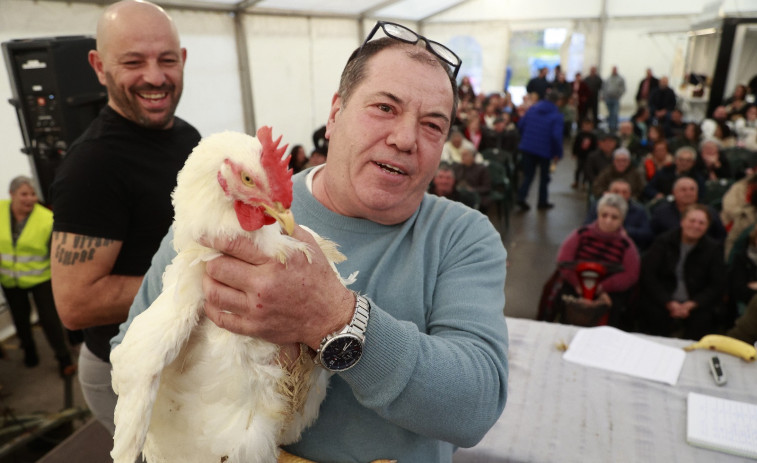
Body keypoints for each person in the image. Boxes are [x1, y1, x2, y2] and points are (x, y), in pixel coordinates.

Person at [113, 21, 508, 461]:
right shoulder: (226, 210)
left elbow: (475, 408)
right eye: (384, 108)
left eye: (433, 125)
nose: (405, 139)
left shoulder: (463, 237)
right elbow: (131, 355)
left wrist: (334, 317)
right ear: (335, 113)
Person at [48, 0, 201, 435]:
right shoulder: (93, 165)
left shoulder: (186, 135)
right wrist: (199, 279)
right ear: (99, 66)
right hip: (124, 371)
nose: (155, 77)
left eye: (167, 60)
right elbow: (75, 304)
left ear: (183, 60)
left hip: (176, 360)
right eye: (133, 62)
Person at [0, 176, 73, 375]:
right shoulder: (0, 210)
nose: (30, 199)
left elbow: (56, 256)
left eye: (33, 194)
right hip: (9, 280)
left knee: (49, 320)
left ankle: (63, 358)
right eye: (24, 194)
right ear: (11, 194)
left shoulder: (46, 219)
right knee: (20, 319)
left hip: (41, 278)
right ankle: (29, 351)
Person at [639, 205, 726, 339]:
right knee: (653, 315)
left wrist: (692, 304)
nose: (696, 226)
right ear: (682, 222)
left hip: (696, 302)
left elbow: (716, 284)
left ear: (707, 227)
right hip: (664, 298)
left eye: (701, 223)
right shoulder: (663, 241)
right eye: (692, 221)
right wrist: (668, 302)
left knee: (703, 321)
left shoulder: (713, 250)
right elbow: (649, 275)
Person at [556, 193, 640, 328]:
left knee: (615, 306)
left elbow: (631, 274)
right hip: (577, 285)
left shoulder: (626, 245)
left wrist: (601, 288)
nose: (608, 221)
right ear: (598, 215)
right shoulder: (581, 234)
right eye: (604, 215)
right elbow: (564, 260)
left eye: (614, 217)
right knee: (564, 299)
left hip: (608, 290)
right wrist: (578, 284)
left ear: (622, 220)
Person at [516, 90, 564, 211]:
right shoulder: (557, 116)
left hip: (527, 148)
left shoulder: (532, 109)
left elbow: (521, 125)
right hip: (545, 151)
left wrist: (527, 139)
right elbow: (556, 137)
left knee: (528, 175)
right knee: (544, 177)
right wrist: (558, 153)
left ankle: (521, 198)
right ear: (557, 101)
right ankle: (542, 202)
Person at [649, 177, 726, 243]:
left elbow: (720, 237)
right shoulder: (661, 213)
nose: (688, 193)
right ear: (674, 192)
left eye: (692, 189)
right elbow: (652, 238)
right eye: (683, 190)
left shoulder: (710, 212)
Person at [584, 179, 653, 251]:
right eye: (616, 191)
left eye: (624, 192)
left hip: (627, 249)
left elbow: (647, 234)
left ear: (629, 194)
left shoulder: (639, 210)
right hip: (598, 246)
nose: (620, 195)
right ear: (609, 192)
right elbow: (586, 227)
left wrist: (628, 232)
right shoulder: (598, 206)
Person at [453, 147, 492, 211]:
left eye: (465, 155)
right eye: (462, 155)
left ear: (473, 157)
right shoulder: (458, 167)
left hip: (476, 196)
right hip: (459, 194)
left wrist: (472, 189)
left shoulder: (481, 169)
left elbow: (487, 187)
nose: (462, 157)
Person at [571, 118, 597, 190]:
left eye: (589, 126)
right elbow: (575, 144)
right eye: (585, 126)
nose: (587, 128)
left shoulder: (593, 136)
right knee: (579, 169)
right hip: (580, 155)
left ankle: (584, 183)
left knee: (586, 170)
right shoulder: (579, 135)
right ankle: (576, 181)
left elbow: (595, 146)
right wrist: (574, 153)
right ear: (582, 126)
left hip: (589, 157)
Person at [602, 66, 626, 133]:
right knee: (610, 113)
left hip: (615, 99)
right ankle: (610, 127)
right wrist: (604, 96)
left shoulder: (620, 79)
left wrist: (619, 95)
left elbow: (623, 88)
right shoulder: (608, 79)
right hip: (608, 98)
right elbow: (604, 88)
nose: (614, 71)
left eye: (615, 70)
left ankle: (614, 127)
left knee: (614, 113)